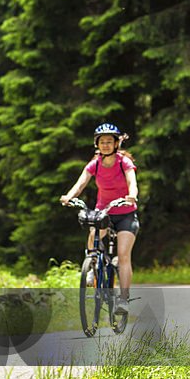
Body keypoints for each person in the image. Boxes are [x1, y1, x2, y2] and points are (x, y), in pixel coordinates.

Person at [59, 123, 139, 314]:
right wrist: (69, 196)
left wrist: (132, 195)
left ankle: (123, 299)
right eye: (102, 142)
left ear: (116, 143)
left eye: (109, 142)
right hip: (104, 212)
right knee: (94, 233)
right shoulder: (95, 163)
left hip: (125, 213)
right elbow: (80, 184)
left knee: (123, 255)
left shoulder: (123, 163)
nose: (105, 145)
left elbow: (132, 182)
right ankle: (91, 266)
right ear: (97, 143)